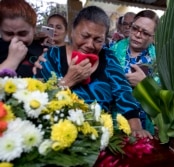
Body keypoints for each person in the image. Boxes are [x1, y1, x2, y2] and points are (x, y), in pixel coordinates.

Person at [34, 6, 153, 139]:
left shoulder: (108, 58)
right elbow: (37, 101)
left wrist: (136, 128)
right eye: (85, 36)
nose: (90, 44)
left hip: (101, 138)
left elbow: (123, 93)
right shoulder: (51, 57)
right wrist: (68, 80)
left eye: (98, 40)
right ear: (72, 31)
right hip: (58, 136)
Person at [110, 10, 160, 134]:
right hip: (115, 124)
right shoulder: (112, 52)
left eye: (145, 33)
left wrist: (145, 84)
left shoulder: (160, 60)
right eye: (135, 28)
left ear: (153, 36)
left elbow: (167, 99)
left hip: (147, 126)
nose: (137, 35)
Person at [0, 0, 45, 77]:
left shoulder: (44, 51)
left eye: (23, 34)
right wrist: (12, 61)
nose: (15, 40)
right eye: (8, 34)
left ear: (34, 29)